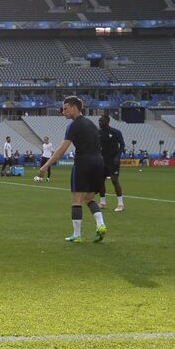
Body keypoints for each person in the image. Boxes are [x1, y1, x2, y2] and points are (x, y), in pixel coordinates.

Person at [39, 96, 106, 243]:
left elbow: (62, 149)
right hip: (99, 163)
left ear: (75, 107)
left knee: (76, 199)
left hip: (83, 162)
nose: (63, 112)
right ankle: (101, 225)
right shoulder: (91, 124)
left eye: (65, 109)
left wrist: (45, 165)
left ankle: (77, 235)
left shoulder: (74, 125)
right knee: (89, 198)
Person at [97, 114, 126, 211]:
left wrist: (118, 156)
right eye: (99, 121)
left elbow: (122, 145)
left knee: (114, 180)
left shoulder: (115, 132)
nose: (100, 122)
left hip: (113, 161)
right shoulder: (98, 133)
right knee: (100, 181)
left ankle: (121, 204)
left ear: (107, 121)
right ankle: (103, 202)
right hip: (102, 161)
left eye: (101, 121)